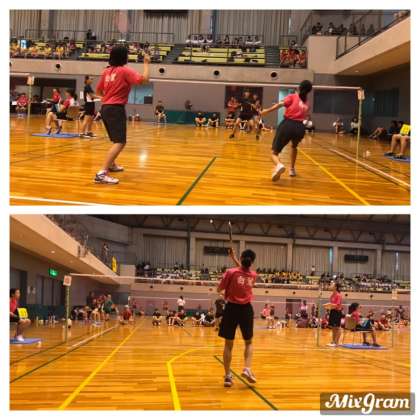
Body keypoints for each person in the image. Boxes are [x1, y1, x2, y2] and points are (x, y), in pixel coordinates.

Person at [94, 45, 150, 184]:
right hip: (115, 109)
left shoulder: (106, 71)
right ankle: (102, 173)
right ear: (124, 57)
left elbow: (98, 92)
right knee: (120, 142)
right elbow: (144, 80)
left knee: (115, 140)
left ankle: (111, 165)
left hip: (105, 108)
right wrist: (146, 63)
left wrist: (108, 98)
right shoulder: (124, 70)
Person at [217, 248, 258, 387]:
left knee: (228, 344)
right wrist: (234, 258)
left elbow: (219, 289)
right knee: (249, 342)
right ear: (252, 261)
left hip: (231, 309)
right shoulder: (253, 275)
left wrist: (222, 292)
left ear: (241, 258)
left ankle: (228, 377)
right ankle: (247, 368)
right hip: (246, 310)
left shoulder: (230, 272)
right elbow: (244, 270)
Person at [260, 80, 313, 180]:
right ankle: (292, 169)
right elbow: (304, 115)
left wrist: (266, 111)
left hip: (288, 125)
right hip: (300, 128)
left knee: (274, 153)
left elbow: (279, 105)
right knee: (294, 147)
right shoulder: (307, 103)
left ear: (299, 87)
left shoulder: (292, 96)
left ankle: (279, 165)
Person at [324, 281, 343, 347]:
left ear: (335, 287)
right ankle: (333, 341)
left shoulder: (338, 295)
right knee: (333, 328)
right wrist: (327, 307)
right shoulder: (332, 295)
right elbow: (332, 305)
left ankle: (336, 342)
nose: (331, 285)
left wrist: (329, 304)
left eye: (332, 285)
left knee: (337, 327)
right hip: (332, 312)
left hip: (337, 312)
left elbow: (337, 305)